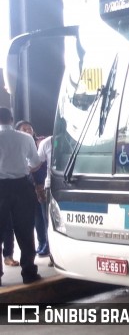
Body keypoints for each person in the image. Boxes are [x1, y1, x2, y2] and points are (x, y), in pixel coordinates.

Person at [0, 107, 42, 285]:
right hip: (22, 186)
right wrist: (24, 169)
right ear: (11, 119)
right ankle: (29, 273)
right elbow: (36, 163)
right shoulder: (25, 138)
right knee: (25, 231)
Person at [15, 121, 49, 257]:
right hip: (29, 184)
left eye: (29, 128)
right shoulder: (19, 145)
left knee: (45, 215)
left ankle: (48, 244)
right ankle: (41, 243)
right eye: (24, 129)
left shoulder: (42, 142)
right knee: (37, 218)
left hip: (43, 183)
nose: (28, 130)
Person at [37, 134, 54, 267]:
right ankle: (53, 254)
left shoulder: (77, 138)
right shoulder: (46, 143)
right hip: (51, 186)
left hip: (75, 183)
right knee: (50, 222)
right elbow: (36, 164)